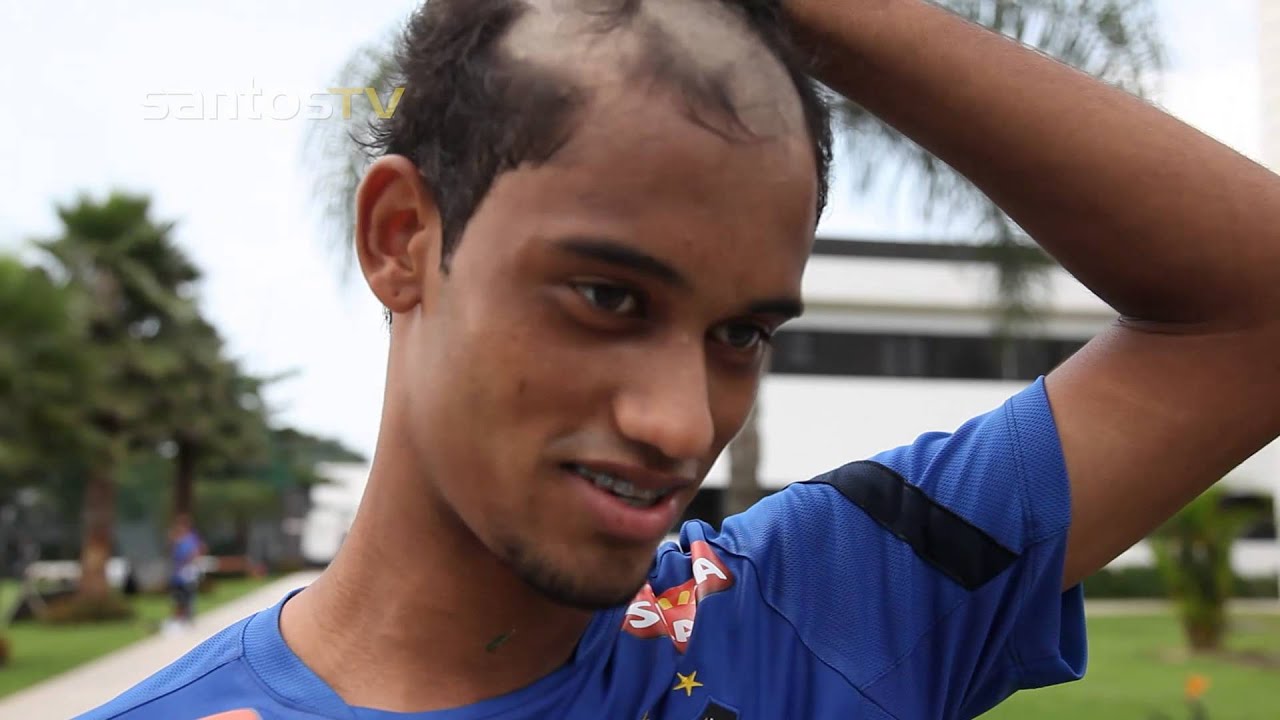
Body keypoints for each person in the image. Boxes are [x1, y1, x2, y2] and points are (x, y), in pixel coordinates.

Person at [81, 0, 1280, 717]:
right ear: (403, 240)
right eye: (607, 297)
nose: (678, 423)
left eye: (739, 334)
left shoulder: (815, 615)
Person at [165, 513, 204, 631]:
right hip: (178, 572)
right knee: (178, 596)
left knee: (187, 595)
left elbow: (197, 552)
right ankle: (180, 618)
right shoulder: (176, 538)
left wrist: (191, 562)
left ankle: (187, 618)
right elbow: (171, 551)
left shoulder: (191, 538)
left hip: (187, 571)